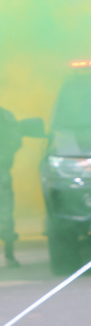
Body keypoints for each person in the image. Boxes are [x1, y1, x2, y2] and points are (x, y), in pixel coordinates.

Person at [0, 106, 21, 268]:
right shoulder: (5, 115)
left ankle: (9, 255)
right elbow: (16, 140)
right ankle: (9, 256)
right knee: (5, 213)